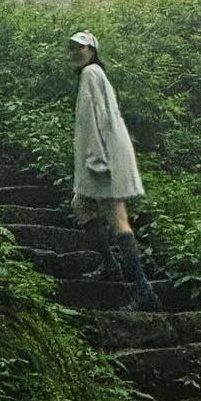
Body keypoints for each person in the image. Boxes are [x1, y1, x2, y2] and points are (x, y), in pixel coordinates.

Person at [67, 30, 162, 311]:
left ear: (92, 52)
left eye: (80, 48)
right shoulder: (95, 75)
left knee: (117, 219)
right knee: (81, 205)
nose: (74, 52)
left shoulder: (91, 74)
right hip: (108, 155)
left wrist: (97, 160)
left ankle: (143, 290)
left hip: (104, 159)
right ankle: (110, 265)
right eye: (71, 48)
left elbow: (97, 118)